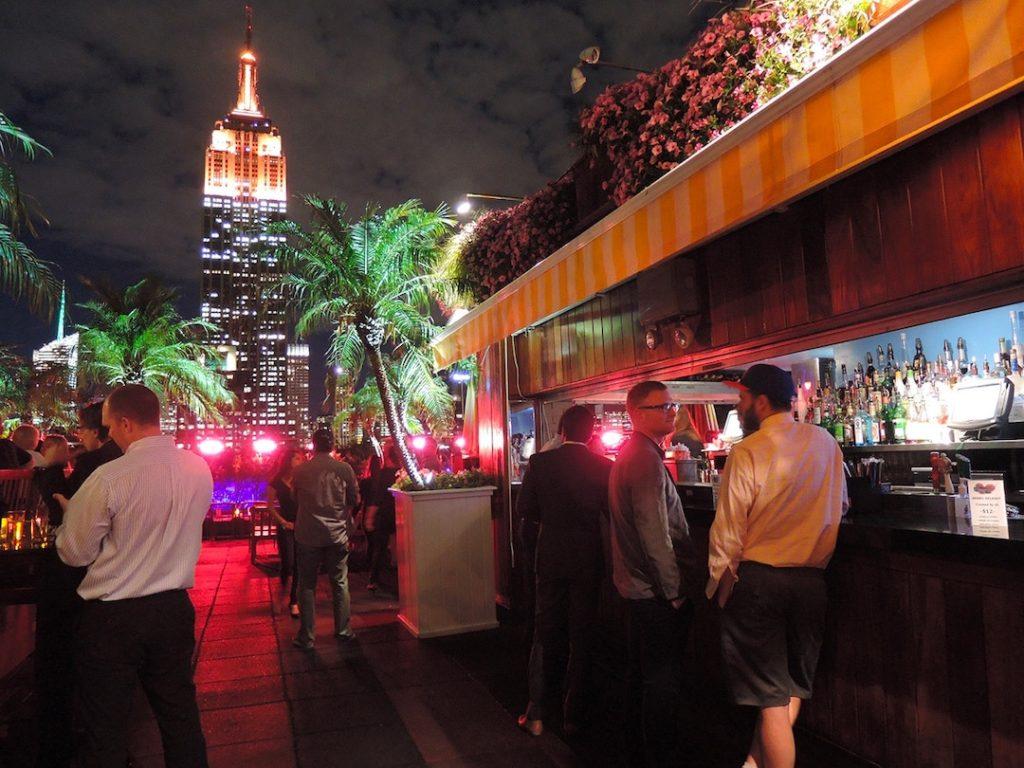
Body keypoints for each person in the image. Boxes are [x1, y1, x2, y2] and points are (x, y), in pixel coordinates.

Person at [55, 384, 213, 768]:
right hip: (173, 609)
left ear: (125, 423)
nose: (108, 434)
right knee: (179, 715)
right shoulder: (197, 467)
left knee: (106, 726)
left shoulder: (111, 477)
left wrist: (68, 517)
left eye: (109, 427)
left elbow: (75, 553)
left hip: (114, 616)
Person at [708, 365, 847, 768]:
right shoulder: (825, 442)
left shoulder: (748, 450)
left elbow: (728, 528)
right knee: (788, 691)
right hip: (811, 584)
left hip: (759, 585)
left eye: (742, 398)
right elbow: (840, 506)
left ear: (761, 401)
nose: (739, 405)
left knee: (770, 700)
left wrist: (719, 583)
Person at [609, 380, 703, 768]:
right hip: (654, 594)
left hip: (636, 588)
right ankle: (660, 755)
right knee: (660, 679)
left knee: (642, 674)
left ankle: (636, 749)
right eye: (661, 407)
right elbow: (653, 532)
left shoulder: (635, 454)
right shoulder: (644, 459)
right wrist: (674, 591)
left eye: (672, 404)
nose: (671, 411)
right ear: (635, 415)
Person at [516, 405, 612, 738]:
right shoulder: (603, 466)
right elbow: (610, 513)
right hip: (587, 558)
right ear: (592, 432)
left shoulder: (540, 463)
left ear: (562, 430)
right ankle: (574, 715)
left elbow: (525, 508)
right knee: (582, 634)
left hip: (552, 556)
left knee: (546, 631)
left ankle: (537, 712)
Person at [292, 427, 360, 650]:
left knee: (307, 585)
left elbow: (296, 499)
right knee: (340, 583)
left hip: (308, 534)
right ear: (332, 445)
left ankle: (307, 636)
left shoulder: (301, 471)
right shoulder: (344, 469)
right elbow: (354, 499)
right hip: (337, 533)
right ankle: (343, 630)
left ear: (313, 444)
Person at [267, 447, 304, 618]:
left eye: (299, 458)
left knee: (298, 563)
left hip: (301, 525)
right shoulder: (276, 481)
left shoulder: (301, 481)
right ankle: (282, 591)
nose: (298, 461)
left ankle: (294, 600)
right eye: (295, 458)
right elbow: (270, 506)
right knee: (287, 561)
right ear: (288, 460)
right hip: (285, 525)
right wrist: (283, 522)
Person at [67, 400, 123, 496]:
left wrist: (53, 467)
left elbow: (68, 500)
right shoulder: (126, 455)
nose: (80, 436)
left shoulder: (88, 463)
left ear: (95, 432)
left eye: (81, 428)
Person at [364, 442, 400, 592]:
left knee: (380, 546)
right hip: (399, 512)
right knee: (398, 545)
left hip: (385, 514)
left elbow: (377, 497)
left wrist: (369, 517)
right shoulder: (402, 473)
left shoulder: (384, 474)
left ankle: (375, 579)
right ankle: (396, 576)